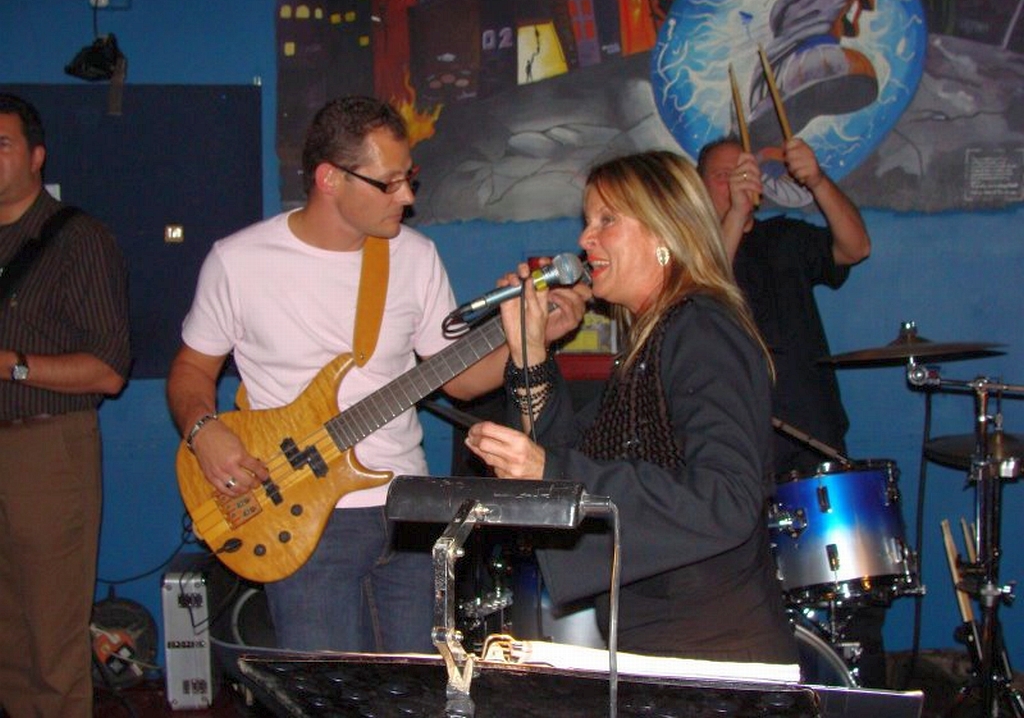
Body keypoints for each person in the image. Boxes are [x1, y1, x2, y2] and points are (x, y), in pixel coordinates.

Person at [166, 95, 586, 654]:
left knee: (417, 685)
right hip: (300, 514)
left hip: (408, 511)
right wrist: (202, 430)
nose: (407, 197)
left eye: (409, 178)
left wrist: (536, 336)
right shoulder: (238, 261)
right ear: (330, 179)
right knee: (330, 689)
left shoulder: (414, 257)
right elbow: (191, 368)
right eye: (388, 183)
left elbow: (459, 380)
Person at [465, 150, 799, 664]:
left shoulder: (702, 329)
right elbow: (570, 465)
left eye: (607, 220)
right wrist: (529, 351)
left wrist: (549, 468)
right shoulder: (652, 340)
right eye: (587, 221)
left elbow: (726, 496)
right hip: (663, 643)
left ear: (665, 231)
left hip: (712, 651)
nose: (584, 239)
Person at [697, 136, 887, 687]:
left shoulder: (784, 237)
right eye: (721, 175)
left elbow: (856, 247)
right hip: (735, 453)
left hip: (812, 440)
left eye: (743, 170)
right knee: (744, 602)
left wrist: (817, 181)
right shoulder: (693, 253)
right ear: (699, 188)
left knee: (845, 601)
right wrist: (735, 214)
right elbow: (708, 286)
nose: (736, 180)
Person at [0, 93, 131, 716]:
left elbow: (109, 370)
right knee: (6, 636)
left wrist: (12, 364)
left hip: (46, 446)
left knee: (52, 632)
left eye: (1, 145)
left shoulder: (79, 239)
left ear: (36, 157)